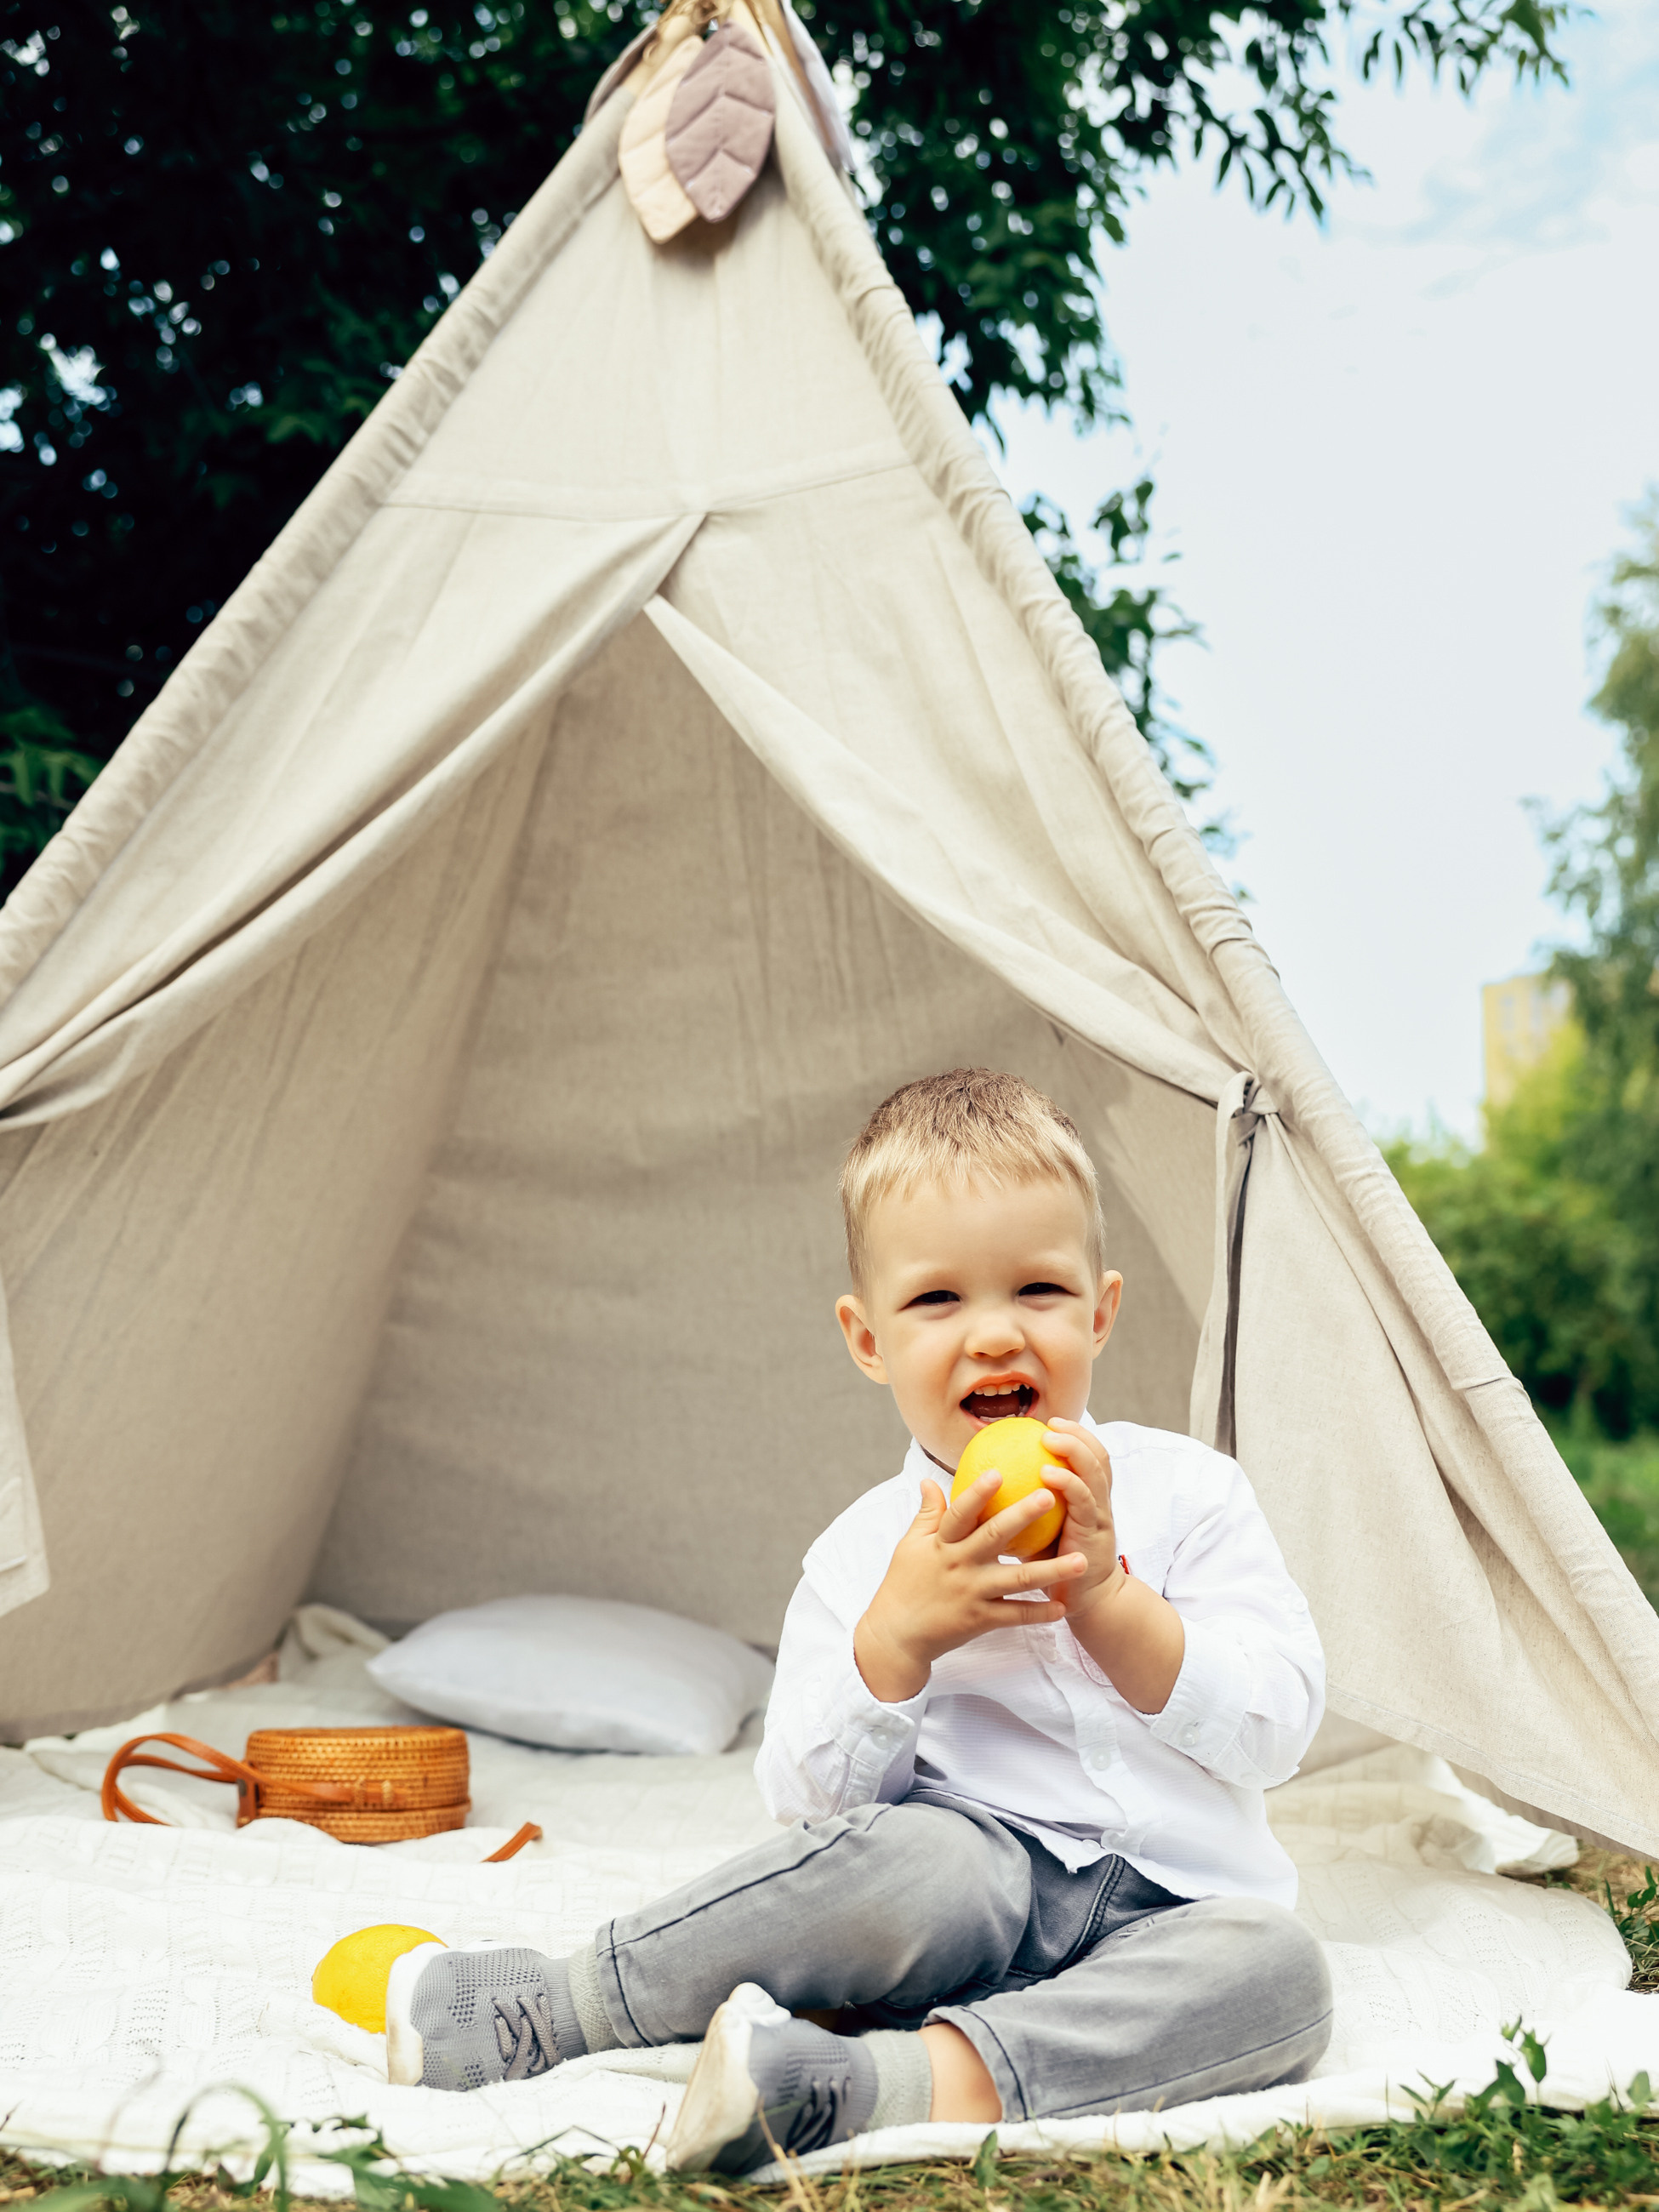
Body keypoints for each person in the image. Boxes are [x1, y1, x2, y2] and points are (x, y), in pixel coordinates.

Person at [388, 1068, 1332, 2170]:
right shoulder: (854, 1556)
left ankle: (861, 2087)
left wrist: (1113, 1598)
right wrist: (895, 1644)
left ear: (1101, 1311)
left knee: (1282, 1973)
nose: (993, 1337)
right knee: (928, 1864)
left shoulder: (1191, 1494)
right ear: (868, 1338)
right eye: (937, 1301)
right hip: (965, 1902)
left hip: (1174, 1911)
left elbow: (1279, 1726)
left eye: (1037, 1291)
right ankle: (557, 2005)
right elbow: (808, 1814)